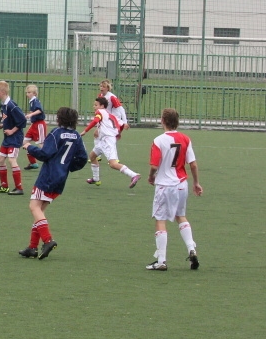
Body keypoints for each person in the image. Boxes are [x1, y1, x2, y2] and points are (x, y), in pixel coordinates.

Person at [18, 107, 88, 259]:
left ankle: (48, 240)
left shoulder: (56, 133)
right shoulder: (76, 136)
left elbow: (45, 154)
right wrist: (67, 167)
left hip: (48, 176)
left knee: (34, 207)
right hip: (61, 178)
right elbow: (83, 158)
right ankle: (32, 247)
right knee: (40, 212)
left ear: (59, 119)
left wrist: (30, 147)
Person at [146, 108, 203, 271]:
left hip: (165, 185)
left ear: (162, 121)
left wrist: (151, 176)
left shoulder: (159, 140)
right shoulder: (185, 138)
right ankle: (191, 248)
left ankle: (162, 261)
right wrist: (196, 183)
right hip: (181, 185)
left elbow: (154, 165)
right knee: (181, 216)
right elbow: (193, 164)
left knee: (160, 219)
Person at [80, 96, 141, 188]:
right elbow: (119, 125)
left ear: (102, 106)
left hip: (107, 141)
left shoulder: (99, 112)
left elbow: (95, 120)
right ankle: (96, 178)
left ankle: (133, 175)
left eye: (96, 105)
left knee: (113, 164)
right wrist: (118, 134)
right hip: (104, 140)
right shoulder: (110, 115)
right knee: (92, 156)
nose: (94, 107)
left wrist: (85, 130)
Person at [0, 80, 27, 195]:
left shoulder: (12, 105)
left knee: (12, 160)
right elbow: (8, 120)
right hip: (7, 138)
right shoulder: (3, 104)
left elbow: (23, 121)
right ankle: (4, 186)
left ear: (3, 92)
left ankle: (19, 188)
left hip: (15, 137)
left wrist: (12, 130)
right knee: (0, 159)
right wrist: (1, 126)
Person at [22, 84, 46, 170]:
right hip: (34, 125)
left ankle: (50, 160)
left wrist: (31, 114)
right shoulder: (31, 101)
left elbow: (40, 110)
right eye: (27, 92)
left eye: (29, 92)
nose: (27, 94)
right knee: (25, 142)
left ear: (35, 93)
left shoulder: (36, 101)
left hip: (39, 124)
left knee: (41, 144)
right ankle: (33, 163)